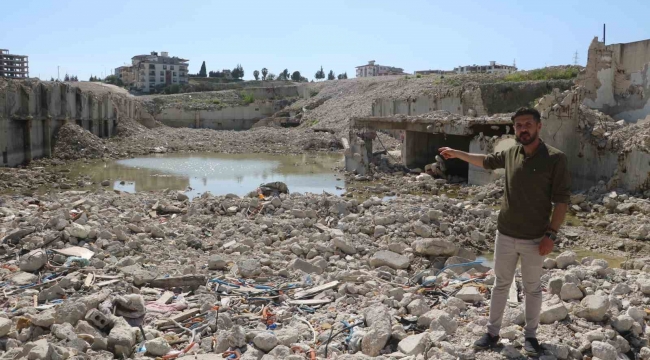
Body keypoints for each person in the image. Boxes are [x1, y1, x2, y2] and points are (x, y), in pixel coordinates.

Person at [439, 107, 570, 356]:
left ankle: (531, 337)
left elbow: (562, 202)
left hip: (535, 238)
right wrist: (457, 154)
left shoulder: (555, 158)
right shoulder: (511, 153)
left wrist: (550, 235)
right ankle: (492, 333)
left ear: (539, 126)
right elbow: (486, 161)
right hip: (506, 234)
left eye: (528, 124)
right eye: (518, 125)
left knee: (532, 288)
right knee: (501, 284)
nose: (523, 129)